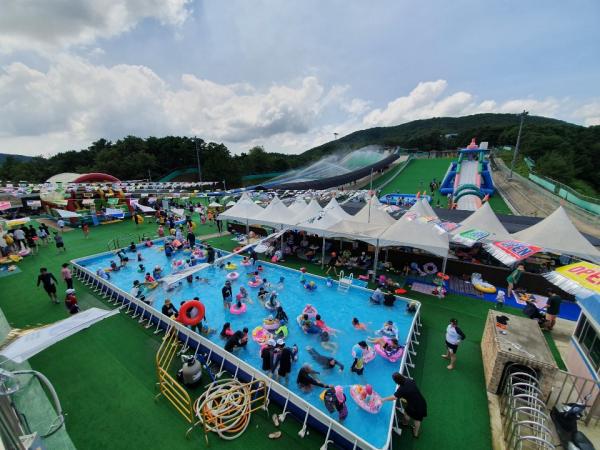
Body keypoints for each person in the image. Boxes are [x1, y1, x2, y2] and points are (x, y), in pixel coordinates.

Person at [382, 372, 427, 438]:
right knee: (418, 419)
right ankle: (415, 434)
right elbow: (411, 390)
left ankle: (404, 423)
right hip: (421, 403)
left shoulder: (401, 389)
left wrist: (383, 399)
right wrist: (405, 398)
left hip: (413, 407)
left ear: (396, 381)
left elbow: (394, 397)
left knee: (406, 414)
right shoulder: (409, 380)